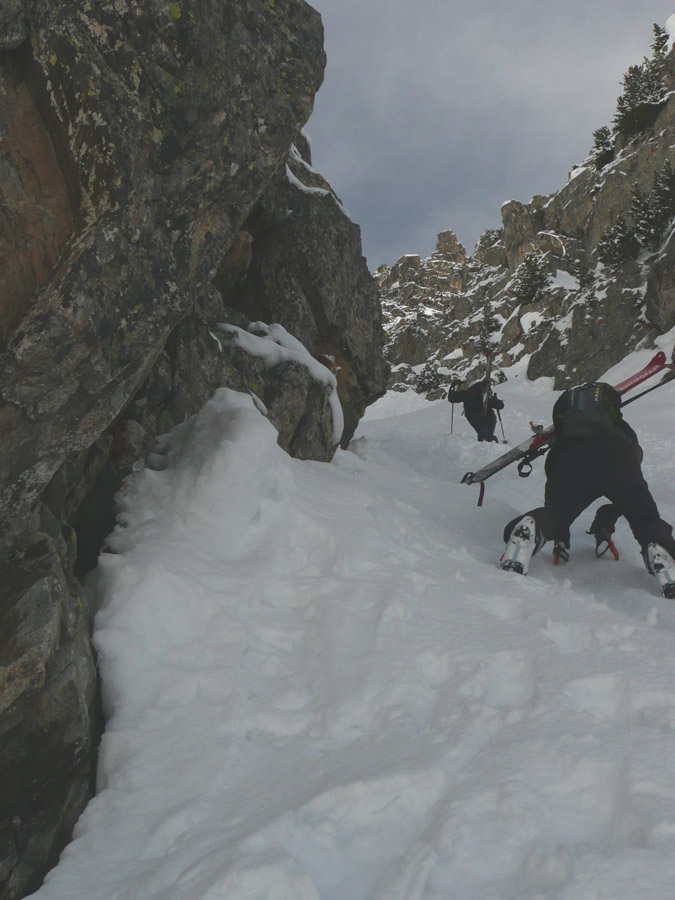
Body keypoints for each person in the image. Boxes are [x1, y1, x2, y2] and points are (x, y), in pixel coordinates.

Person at [500, 380, 675, 598]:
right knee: (644, 517)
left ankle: (533, 529)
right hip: (619, 459)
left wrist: (560, 530)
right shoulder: (620, 429)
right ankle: (658, 548)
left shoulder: (565, 438)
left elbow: (552, 473)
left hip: (571, 462)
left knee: (556, 514)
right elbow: (635, 458)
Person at [447, 378, 504, 442]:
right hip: (481, 415)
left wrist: (453, 387)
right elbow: (500, 406)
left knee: (485, 433)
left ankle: (485, 441)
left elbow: (451, 398)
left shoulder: (471, 393)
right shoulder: (478, 392)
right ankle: (486, 441)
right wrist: (496, 402)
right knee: (487, 433)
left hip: (478, 416)